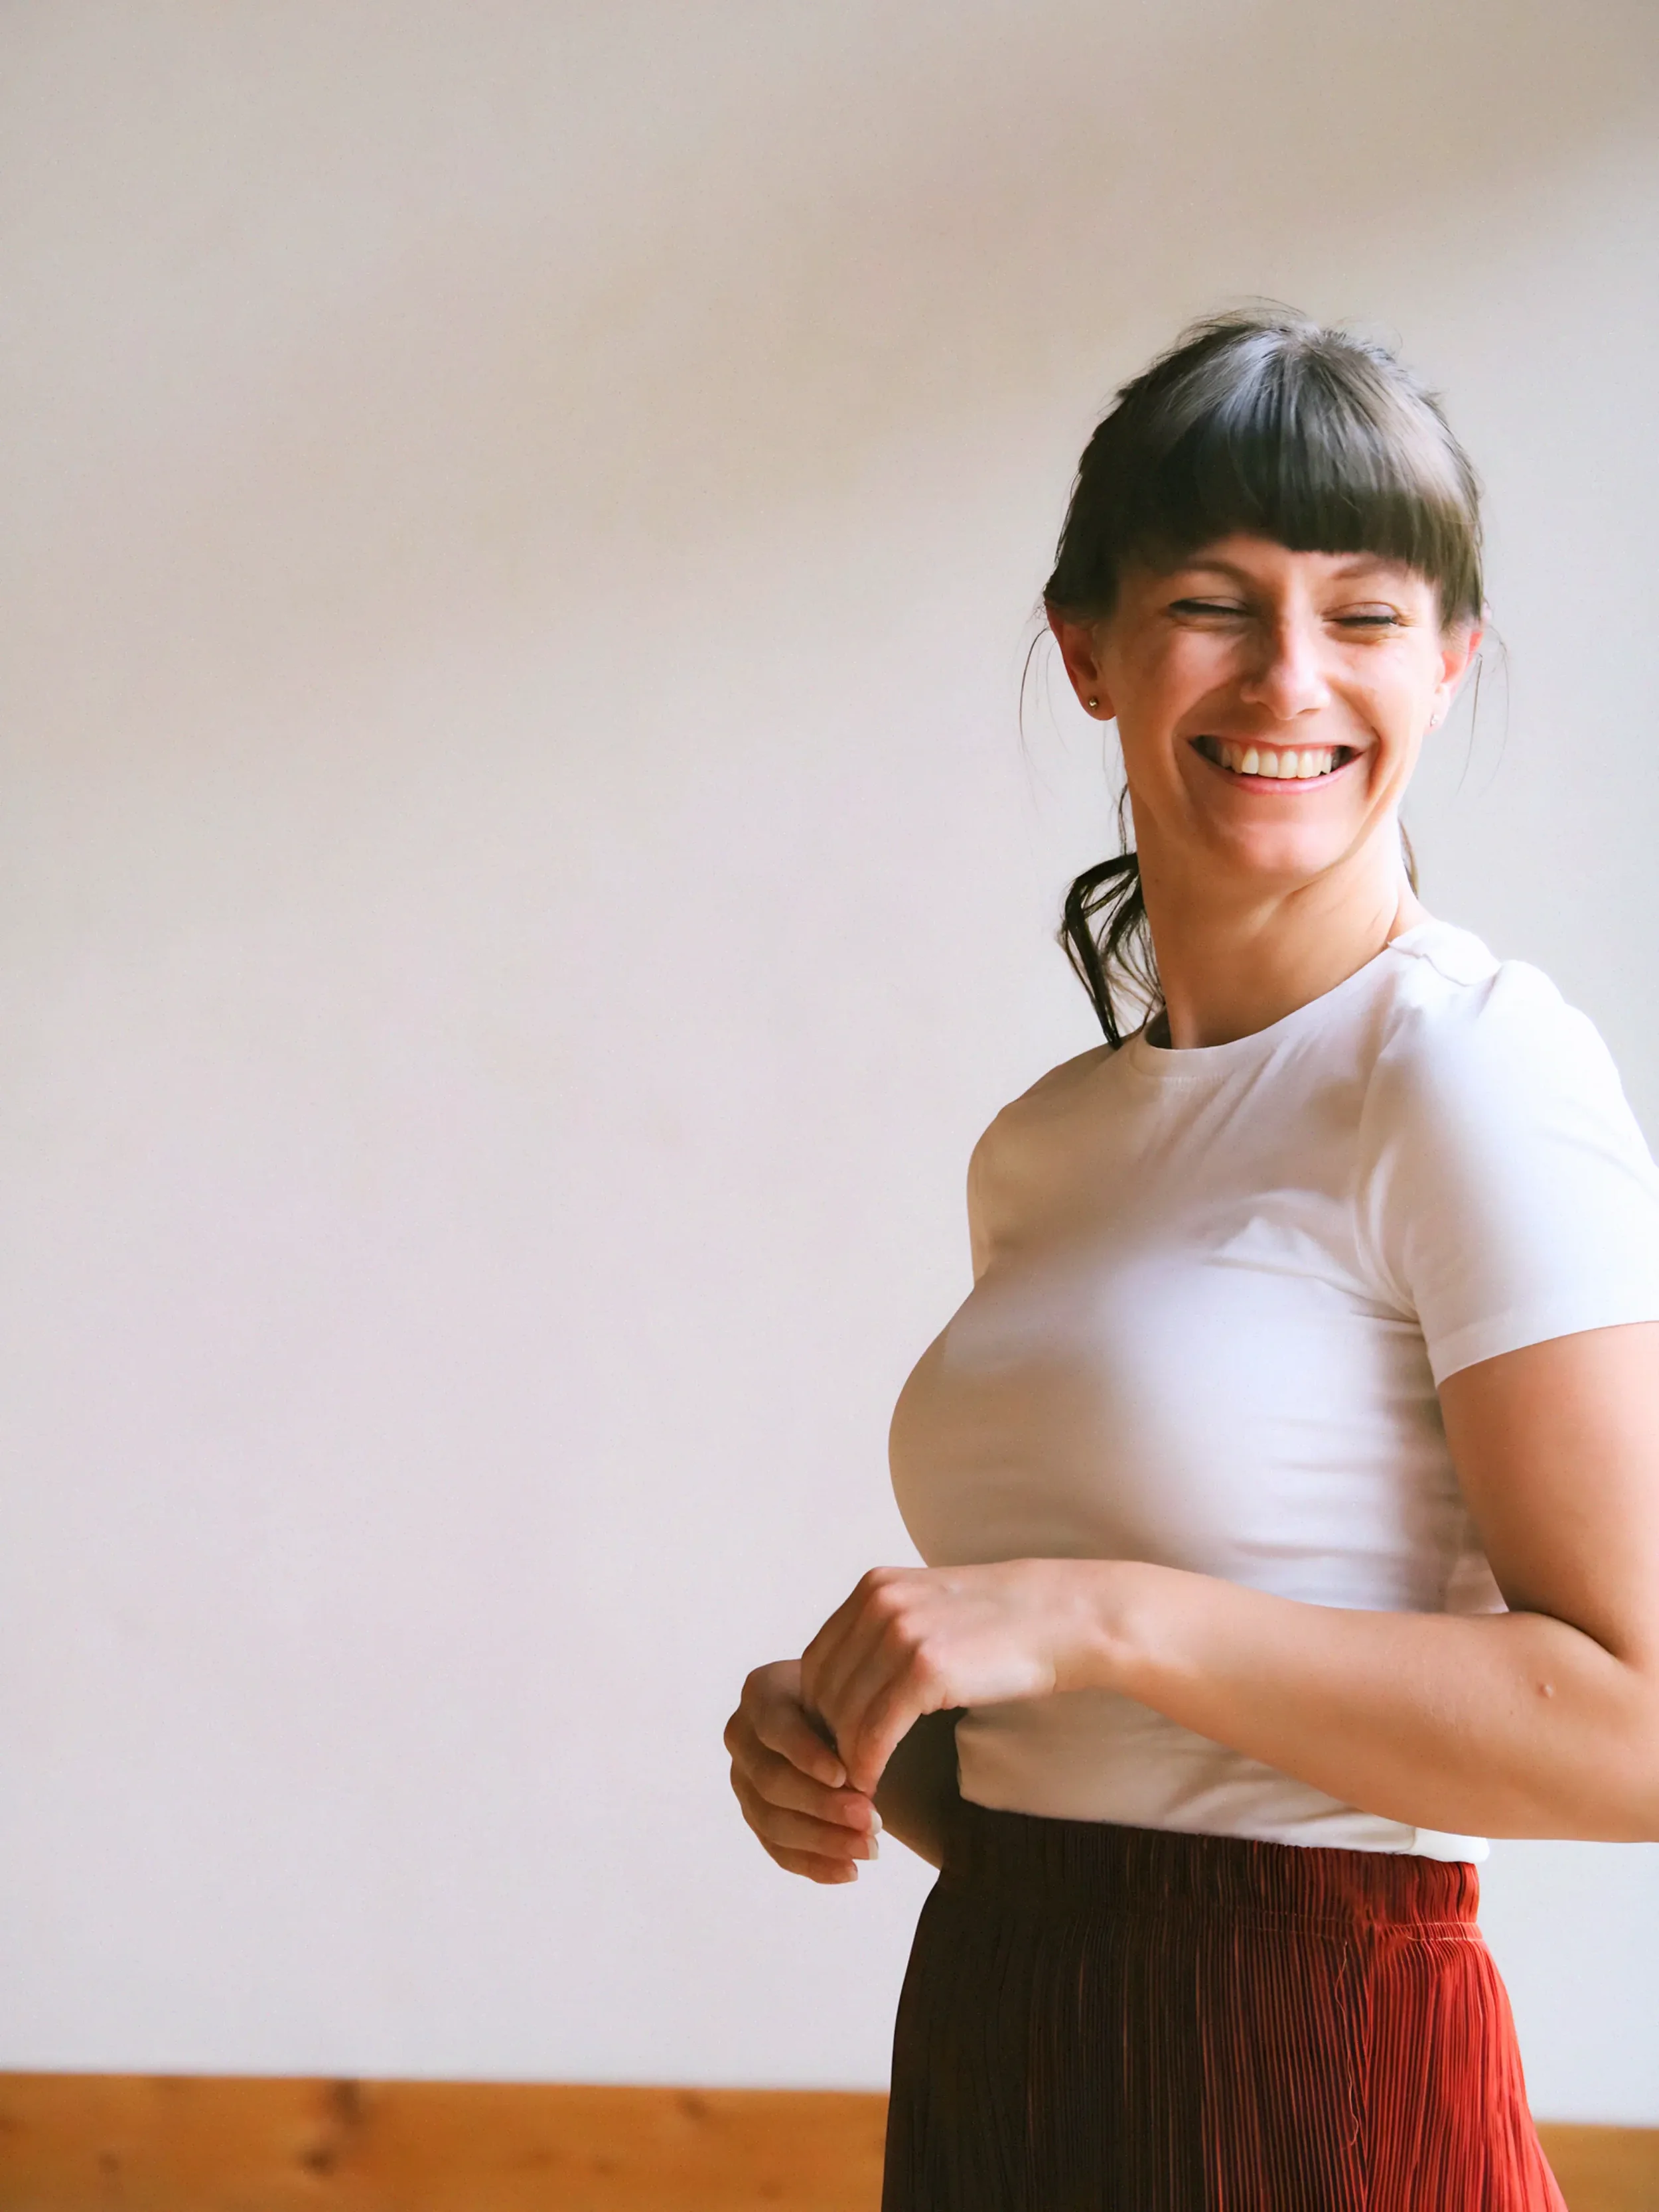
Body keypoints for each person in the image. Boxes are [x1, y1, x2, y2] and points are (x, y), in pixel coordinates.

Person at [723, 311, 1659, 2209]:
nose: (1289, 674)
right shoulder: (1046, 1147)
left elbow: (1642, 1733)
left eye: (1365, 612)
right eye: (1215, 602)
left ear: (1451, 661)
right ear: (1088, 647)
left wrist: (1090, 1611)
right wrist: (869, 1746)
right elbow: (1130, 1782)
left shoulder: (1469, 1067)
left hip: (1316, 2090)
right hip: (1012, 2041)